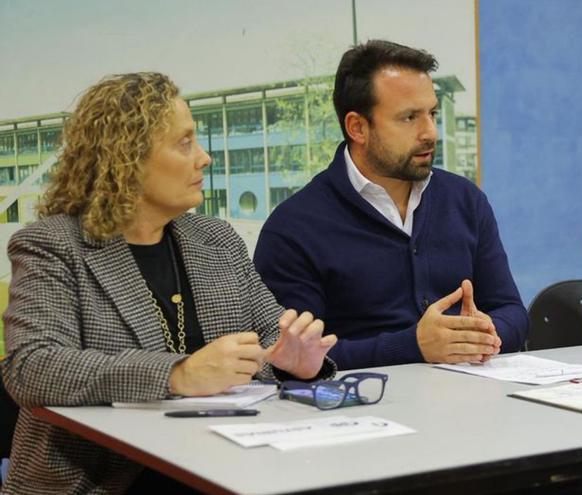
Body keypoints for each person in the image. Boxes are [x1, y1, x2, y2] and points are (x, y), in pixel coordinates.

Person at [0, 72, 337, 494]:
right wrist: (178, 374)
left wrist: (299, 363)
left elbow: (273, 335)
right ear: (126, 158)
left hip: (228, 465)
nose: (204, 158)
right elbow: (32, 368)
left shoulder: (217, 239)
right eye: (185, 143)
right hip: (105, 482)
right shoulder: (53, 245)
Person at [254, 40, 527, 370]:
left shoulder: (465, 200)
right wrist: (412, 346)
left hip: (472, 398)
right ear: (358, 127)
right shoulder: (293, 227)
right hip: (364, 410)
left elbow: (511, 311)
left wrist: (482, 334)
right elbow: (293, 357)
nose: (430, 133)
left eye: (432, 113)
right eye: (409, 117)